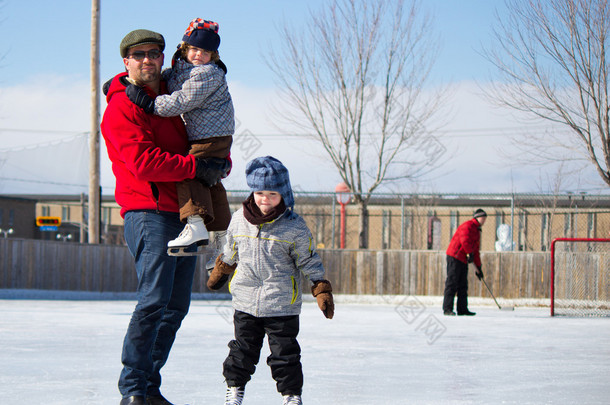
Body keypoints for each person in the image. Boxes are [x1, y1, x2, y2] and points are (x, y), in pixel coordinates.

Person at [100, 29, 229, 405]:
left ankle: (150, 387)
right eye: (138, 55)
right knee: (154, 299)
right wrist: (195, 167)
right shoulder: (124, 106)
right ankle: (132, 390)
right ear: (126, 62)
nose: (147, 60)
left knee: (175, 306)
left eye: (153, 53)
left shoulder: (170, 102)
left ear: (163, 57)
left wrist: (215, 163)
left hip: (185, 214)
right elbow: (143, 163)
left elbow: (198, 142)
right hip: (148, 212)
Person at [207, 156, 335, 405]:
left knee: (285, 354)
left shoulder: (294, 227)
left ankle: (291, 396)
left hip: (282, 303)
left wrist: (321, 288)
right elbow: (230, 250)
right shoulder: (238, 219)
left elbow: (308, 259)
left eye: (272, 194)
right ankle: (235, 389)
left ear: (284, 194)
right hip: (246, 301)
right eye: (260, 192)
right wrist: (221, 270)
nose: (265, 199)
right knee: (242, 350)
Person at [126, 18, 234, 262]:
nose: (199, 55)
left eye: (206, 52)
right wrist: (122, 81)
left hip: (211, 135)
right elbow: (165, 79)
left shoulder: (207, 74)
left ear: (213, 56)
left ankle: (195, 223)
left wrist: (149, 103)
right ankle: (223, 237)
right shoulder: (181, 68)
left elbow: (181, 101)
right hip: (207, 134)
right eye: (195, 49)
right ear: (185, 49)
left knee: (189, 171)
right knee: (211, 181)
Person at [442, 209, 487, 316]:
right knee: (452, 282)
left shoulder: (477, 230)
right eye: (483, 218)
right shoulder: (467, 226)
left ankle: (462, 309)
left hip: (463, 258)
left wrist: (479, 268)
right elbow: (464, 240)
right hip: (454, 256)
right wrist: (469, 253)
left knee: (463, 284)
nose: (484, 220)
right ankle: (447, 308)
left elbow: (475, 250)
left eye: (485, 219)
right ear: (477, 217)